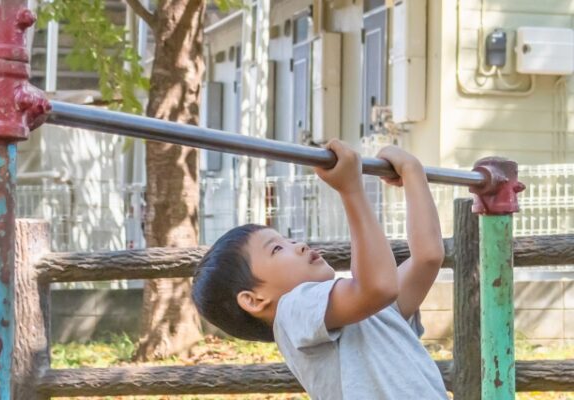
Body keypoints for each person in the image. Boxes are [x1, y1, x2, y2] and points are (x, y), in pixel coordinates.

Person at [192, 140, 448, 399]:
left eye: (289, 240)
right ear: (254, 299)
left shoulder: (372, 313)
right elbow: (379, 286)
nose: (299, 245)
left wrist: (412, 171)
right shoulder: (291, 311)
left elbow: (427, 257)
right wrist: (351, 190)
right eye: (277, 249)